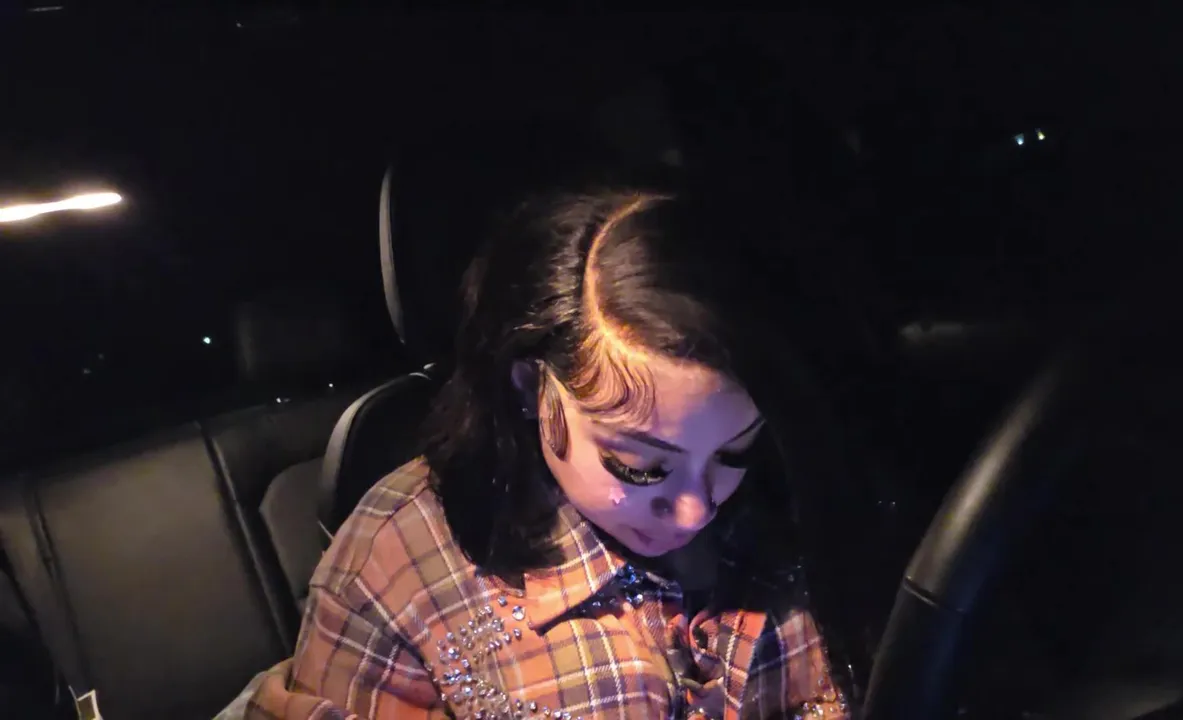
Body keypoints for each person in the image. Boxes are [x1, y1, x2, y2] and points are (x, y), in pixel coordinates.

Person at [233, 188, 859, 719]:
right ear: (532, 386)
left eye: (732, 453)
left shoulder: (795, 496)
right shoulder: (402, 556)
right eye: (640, 466)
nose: (697, 510)